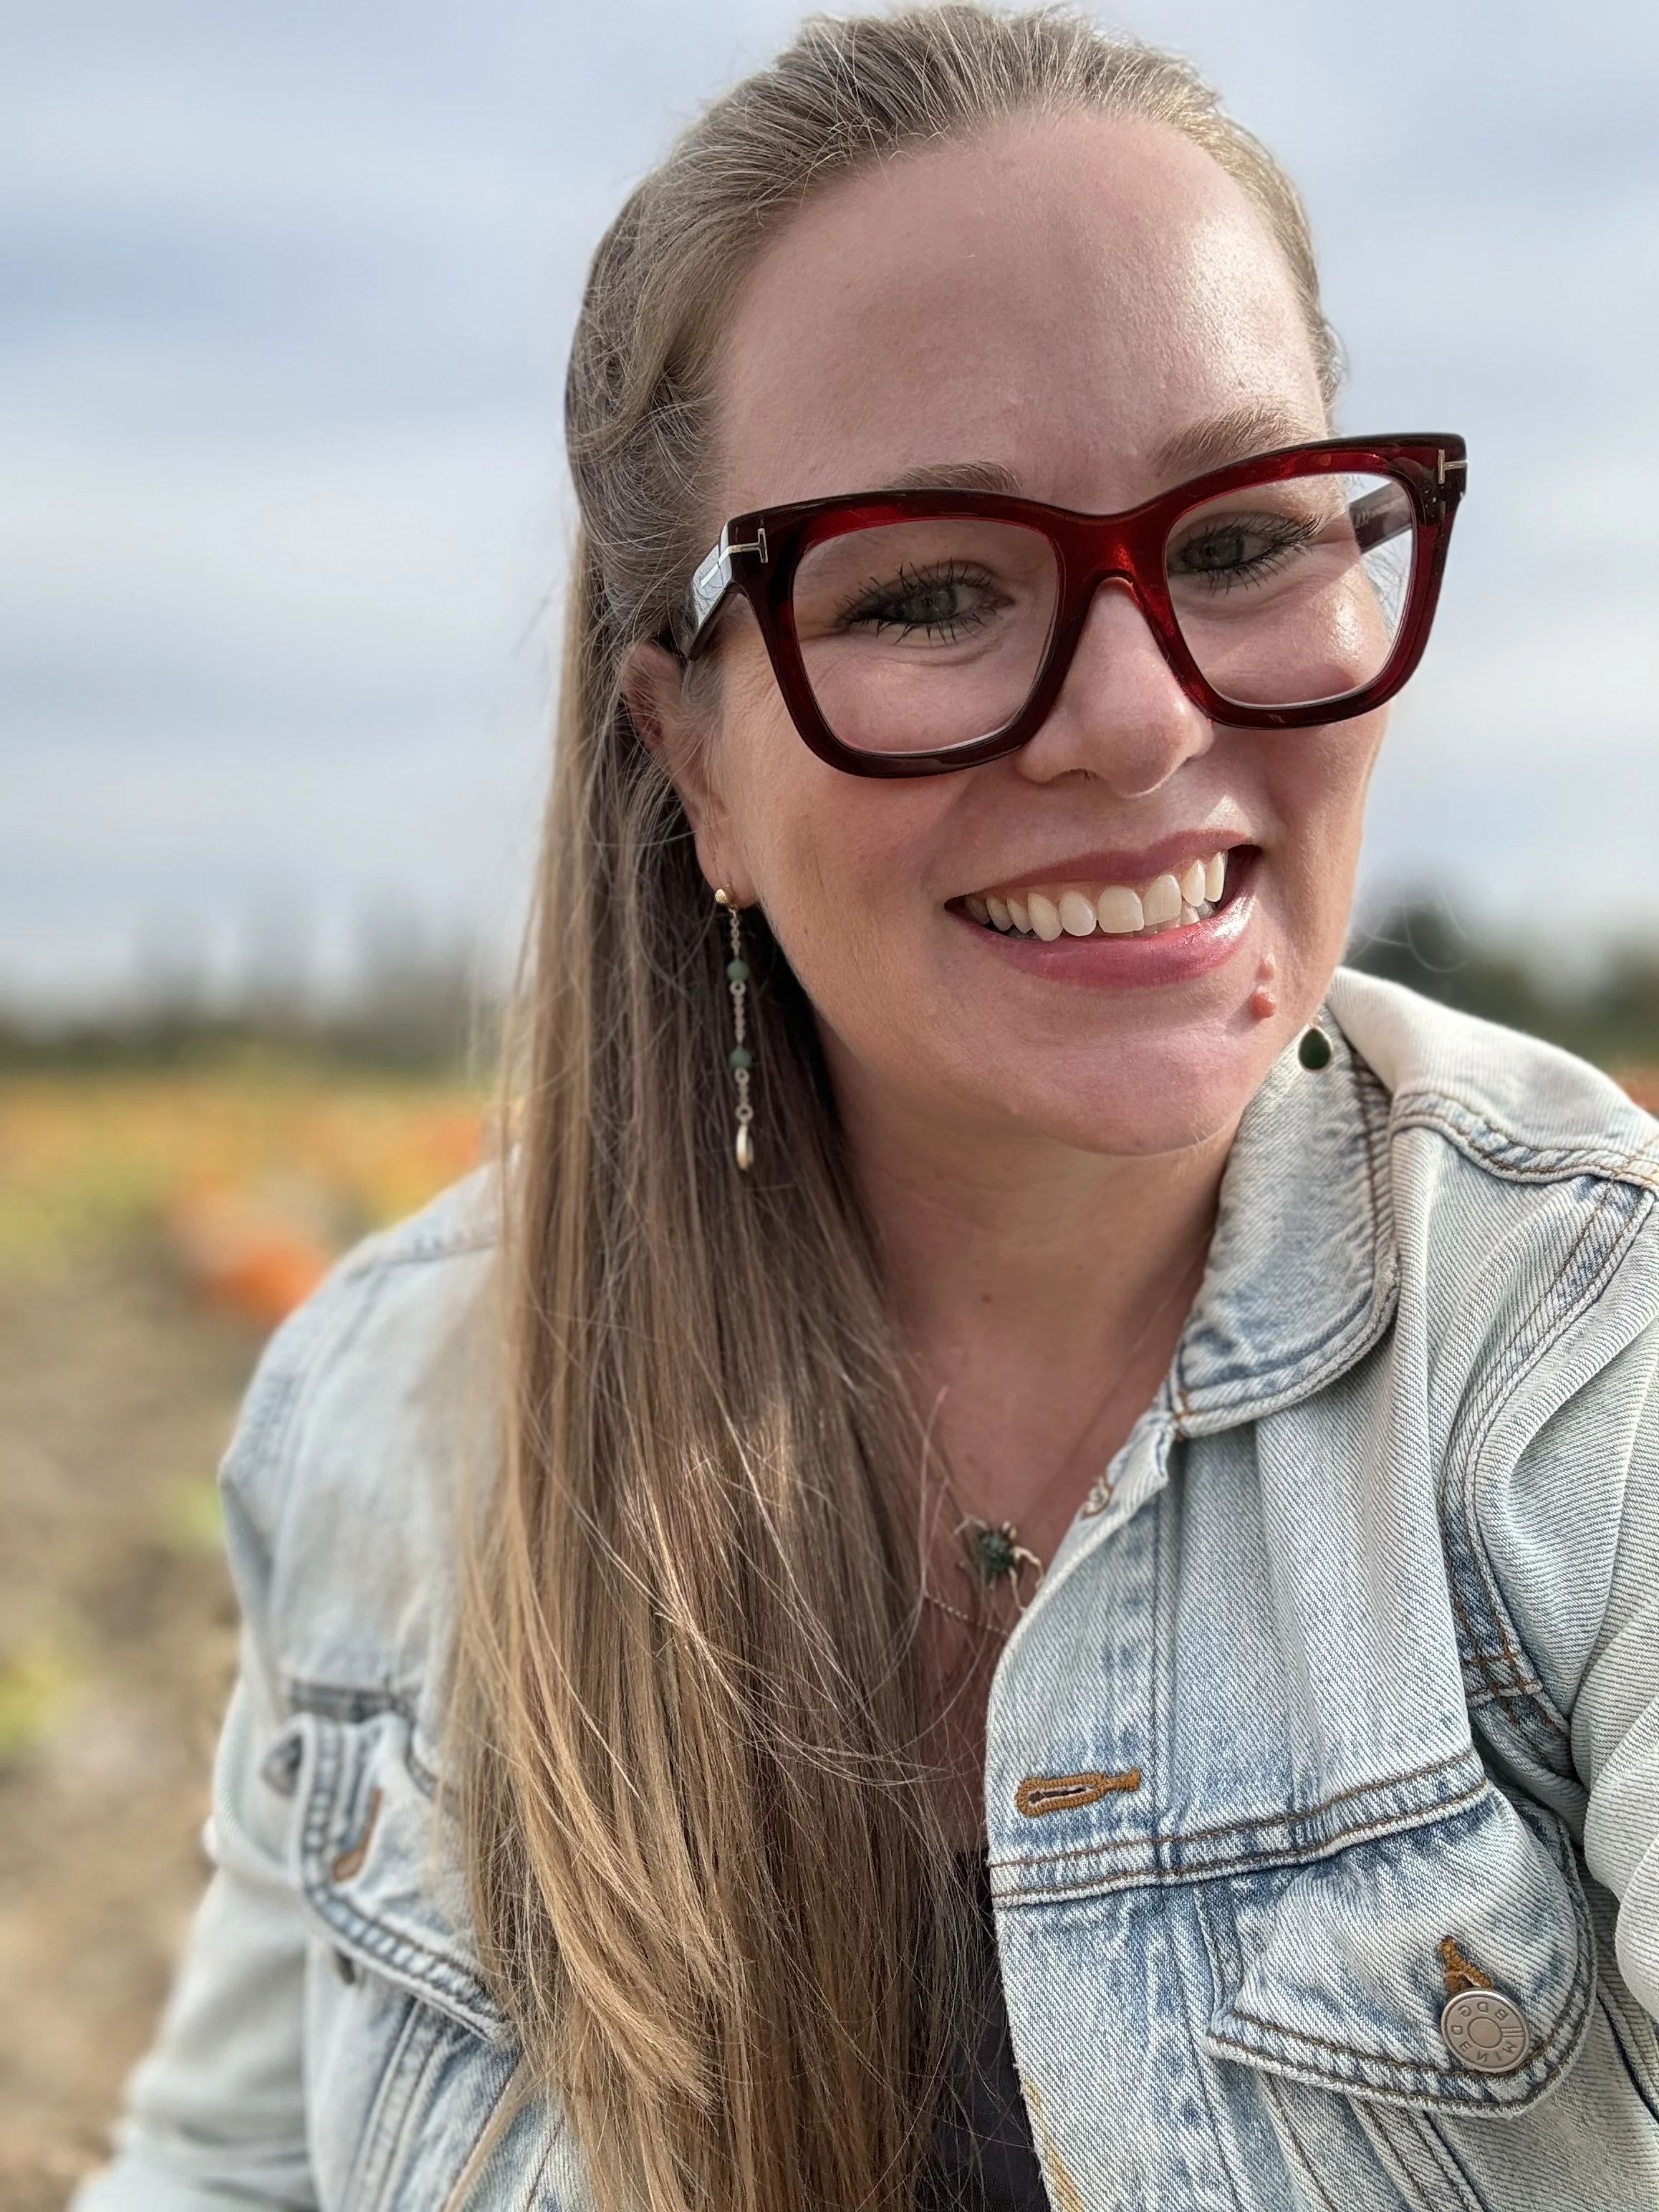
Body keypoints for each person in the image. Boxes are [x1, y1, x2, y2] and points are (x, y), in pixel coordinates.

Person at [76, 9, 1659, 2210]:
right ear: (689, 758)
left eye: (1241, 542)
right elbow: (229, 2175)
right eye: (927, 587)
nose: (1136, 716)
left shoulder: (1590, 1371)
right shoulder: (387, 1413)